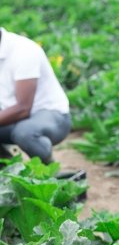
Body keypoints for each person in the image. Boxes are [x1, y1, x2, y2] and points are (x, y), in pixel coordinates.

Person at [0, 27, 71, 164]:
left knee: (25, 133)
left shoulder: (23, 50)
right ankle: (5, 165)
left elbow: (23, 108)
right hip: (10, 117)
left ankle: (49, 172)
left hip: (50, 115)